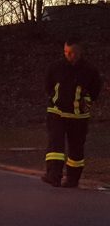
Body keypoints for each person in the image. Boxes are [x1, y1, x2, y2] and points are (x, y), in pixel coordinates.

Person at [43, 37, 102, 188]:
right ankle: (53, 176)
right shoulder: (55, 67)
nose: (69, 55)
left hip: (79, 116)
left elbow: (95, 90)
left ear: (80, 52)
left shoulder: (90, 71)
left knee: (76, 148)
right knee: (55, 145)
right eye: (66, 52)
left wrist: (86, 101)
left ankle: (72, 179)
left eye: (73, 52)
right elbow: (48, 86)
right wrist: (54, 99)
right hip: (57, 113)